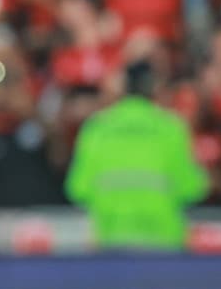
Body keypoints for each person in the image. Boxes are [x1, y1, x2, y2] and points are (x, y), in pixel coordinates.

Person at [65, 59, 208, 249]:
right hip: (164, 244)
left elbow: (78, 188)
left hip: (111, 242)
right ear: (155, 88)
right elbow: (192, 188)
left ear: (124, 87)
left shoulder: (96, 129)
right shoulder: (172, 129)